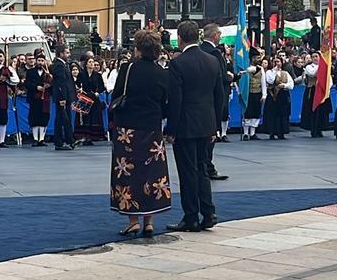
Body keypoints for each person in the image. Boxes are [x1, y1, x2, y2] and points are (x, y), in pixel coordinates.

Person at [165, 21, 227, 233]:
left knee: (187, 172)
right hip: (207, 124)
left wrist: (170, 130)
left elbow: (176, 100)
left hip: (185, 126)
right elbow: (219, 95)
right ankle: (209, 212)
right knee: (202, 169)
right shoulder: (212, 61)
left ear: (180, 37)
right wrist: (215, 126)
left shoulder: (178, 64)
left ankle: (191, 216)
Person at [111, 30, 171, 238]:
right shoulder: (162, 73)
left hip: (127, 128)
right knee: (152, 173)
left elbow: (117, 95)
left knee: (129, 173)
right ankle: (149, 221)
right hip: (152, 128)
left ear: (138, 48)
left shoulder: (128, 69)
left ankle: (133, 220)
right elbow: (166, 102)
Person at [199, 24, 230, 177]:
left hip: (200, 99)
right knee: (211, 135)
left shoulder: (199, 50)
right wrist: (231, 77)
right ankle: (208, 167)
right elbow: (221, 77)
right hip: (213, 99)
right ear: (215, 35)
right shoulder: (215, 53)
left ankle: (203, 165)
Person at [75, 58, 108, 146]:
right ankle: (84, 137)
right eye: (90, 62)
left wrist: (98, 92)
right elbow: (78, 84)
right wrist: (79, 89)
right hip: (84, 98)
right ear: (86, 64)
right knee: (84, 117)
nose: (92, 64)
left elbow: (102, 87)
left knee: (93, 117)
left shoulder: (97, 75)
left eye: (93, 62)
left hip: (94, 98)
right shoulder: (81, 74)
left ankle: (91, 137)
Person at [261, 56, 293, 140]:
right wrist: (275, 71)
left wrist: (284, 85)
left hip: (282, 95)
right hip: (273, 96)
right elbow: (270, 80)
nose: (276, 63)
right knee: (272, 114)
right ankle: (272, 132)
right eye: (274, 62)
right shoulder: (269, 72)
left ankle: (281, 132)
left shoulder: (285, 73)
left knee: (282, 114)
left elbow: (291, 84)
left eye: (278, 61)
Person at [25, 52, 53, 146]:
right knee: (34, 118)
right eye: (39, 60)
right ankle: (35, 138)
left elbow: (52, 84)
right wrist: (36, 87)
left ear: (44, 61)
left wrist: (48, 85)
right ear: (36, 61)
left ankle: (41, 139)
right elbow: (27, 84)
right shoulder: (30, 72)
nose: (40, 62)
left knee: (44, 118)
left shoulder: (48, 73)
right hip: (34, 98)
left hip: (45, 98)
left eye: (42, 60)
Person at [50, 45, 75, 150]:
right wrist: (62, 98)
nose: (69, 55)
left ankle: (67, 140)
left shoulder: (64, 65)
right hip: (62, 97)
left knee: (64, 118)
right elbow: (61, 83)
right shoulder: (59, 66)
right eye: (67, 52)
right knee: (62, 120)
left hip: (66, 96)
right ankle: (61, 141)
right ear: (61, 53)